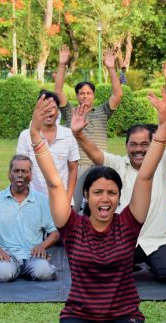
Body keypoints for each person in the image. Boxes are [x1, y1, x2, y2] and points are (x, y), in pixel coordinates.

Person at [30, 89, 166, 323]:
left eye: (112, 193)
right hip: (79, 315)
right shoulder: (71, 226)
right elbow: (56, 184)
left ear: (119, 197)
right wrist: (35, 134)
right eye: (98, 192)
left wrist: (163, 127)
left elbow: (145, 174)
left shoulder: (129, 223)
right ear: (87, 196)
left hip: (124, 314)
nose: (105, 199)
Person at [72, 90, 166, 283]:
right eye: (133, 144)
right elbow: (96, 154)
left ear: (152, 144)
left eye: (144, 144)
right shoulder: (117, 164)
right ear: (126, 146)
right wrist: (78, 134)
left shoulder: (163, 161)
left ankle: (142, 263)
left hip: (157, 240)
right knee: (103, 273)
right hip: (123, 240)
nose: (138, 149)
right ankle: (128, 263)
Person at [54, 44, 123, 209]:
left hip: (100, 163)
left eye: (89, 93)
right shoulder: (70, 111)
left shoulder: (103, 111)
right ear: (77, 96)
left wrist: (111, 68)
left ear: (93, 95)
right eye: (82, 93)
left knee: (101, 205)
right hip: (77, 165)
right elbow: (58, 91)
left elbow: (118, 94)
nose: (85, 96)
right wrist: (62, 64)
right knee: (72, 206)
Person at [0, 154, 60, 282]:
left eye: (24, 171)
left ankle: (43, 263)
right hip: (7, 255)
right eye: (16, 171)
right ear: (9, 175)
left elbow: (54, 234)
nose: (20, 175)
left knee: (44, 273)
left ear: (31, 176)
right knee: (3, 275)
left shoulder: (40, 200)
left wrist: (42, 246)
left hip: (33, 255)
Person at [16, 90, 79, 202]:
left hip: (61, 200)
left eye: (53, 107)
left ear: (58, 111)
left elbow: (73, 169)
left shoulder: (68, 134)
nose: (49, 110)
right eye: (45, 107)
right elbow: (20, 169)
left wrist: (68, 198)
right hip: (32, 200)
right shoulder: (25, 135)